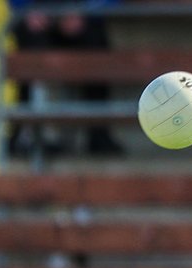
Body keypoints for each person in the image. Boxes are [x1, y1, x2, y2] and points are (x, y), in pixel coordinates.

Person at [7, 0, 125, 157]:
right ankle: (27, 133)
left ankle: (99, 134)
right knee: (31, 51)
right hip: (37, 18)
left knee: (96, 46)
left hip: (84, 19)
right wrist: (28, 11)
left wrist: (84, 12)